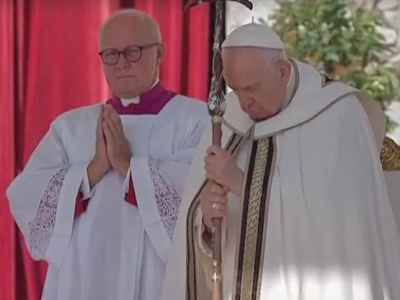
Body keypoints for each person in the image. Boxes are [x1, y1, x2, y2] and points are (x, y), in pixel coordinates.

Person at [161, 22, 400, 300]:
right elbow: (206, 232)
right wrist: (208, 221)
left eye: (252, 88)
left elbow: (333, 221)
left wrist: (240, 182)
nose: (244, 103)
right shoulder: (229, 121)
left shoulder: (337, 115)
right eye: (236, 90)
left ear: (283, 72)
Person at [6, 8, 208, 300]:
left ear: (160, 54)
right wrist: (93, 170)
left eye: (133, 52)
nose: (121, 63)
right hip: (81, 275)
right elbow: (26, 196)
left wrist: (128, 167)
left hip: (157, 277)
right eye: (110, 54)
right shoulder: (71, 127)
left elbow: (199, 199)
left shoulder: (194, 120)